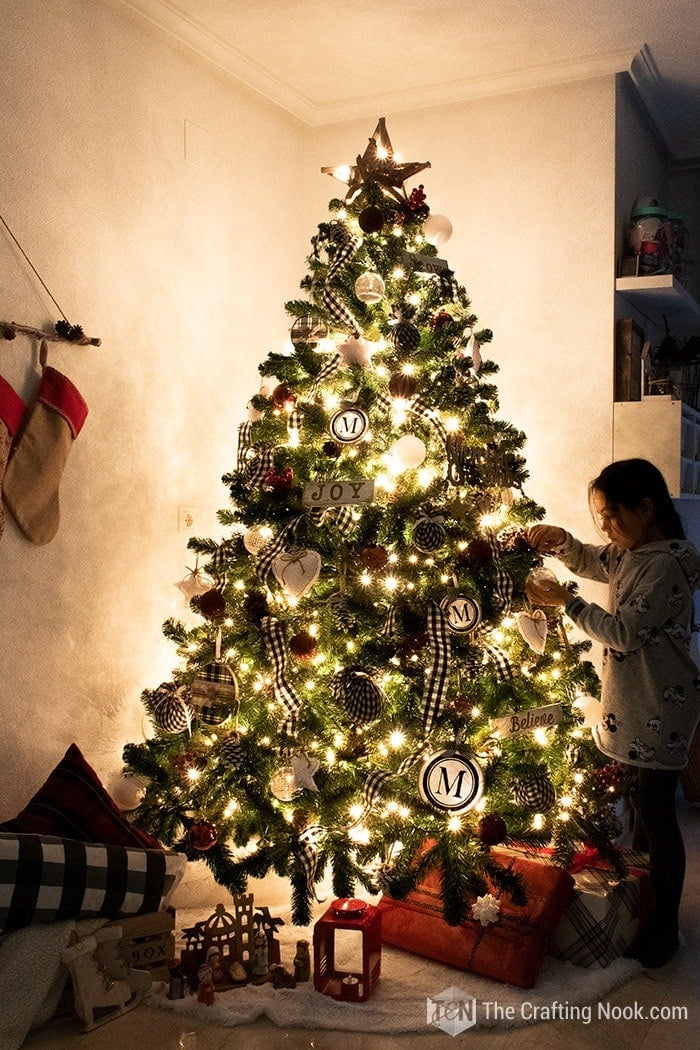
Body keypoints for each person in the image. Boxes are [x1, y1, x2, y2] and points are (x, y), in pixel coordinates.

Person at [525, 458, 700, 969]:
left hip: (661, 705)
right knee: (645, 810)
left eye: (611, 515)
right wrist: (562, 542)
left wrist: (568, 605)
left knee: (658, 814)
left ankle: (663, 928)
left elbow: (622, 631)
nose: (605, 527)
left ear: (645, 510)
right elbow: (593, 561)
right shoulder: (631, 552)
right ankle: (645, 908)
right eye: (599, 516)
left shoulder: (667, 563)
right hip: (635, 701)